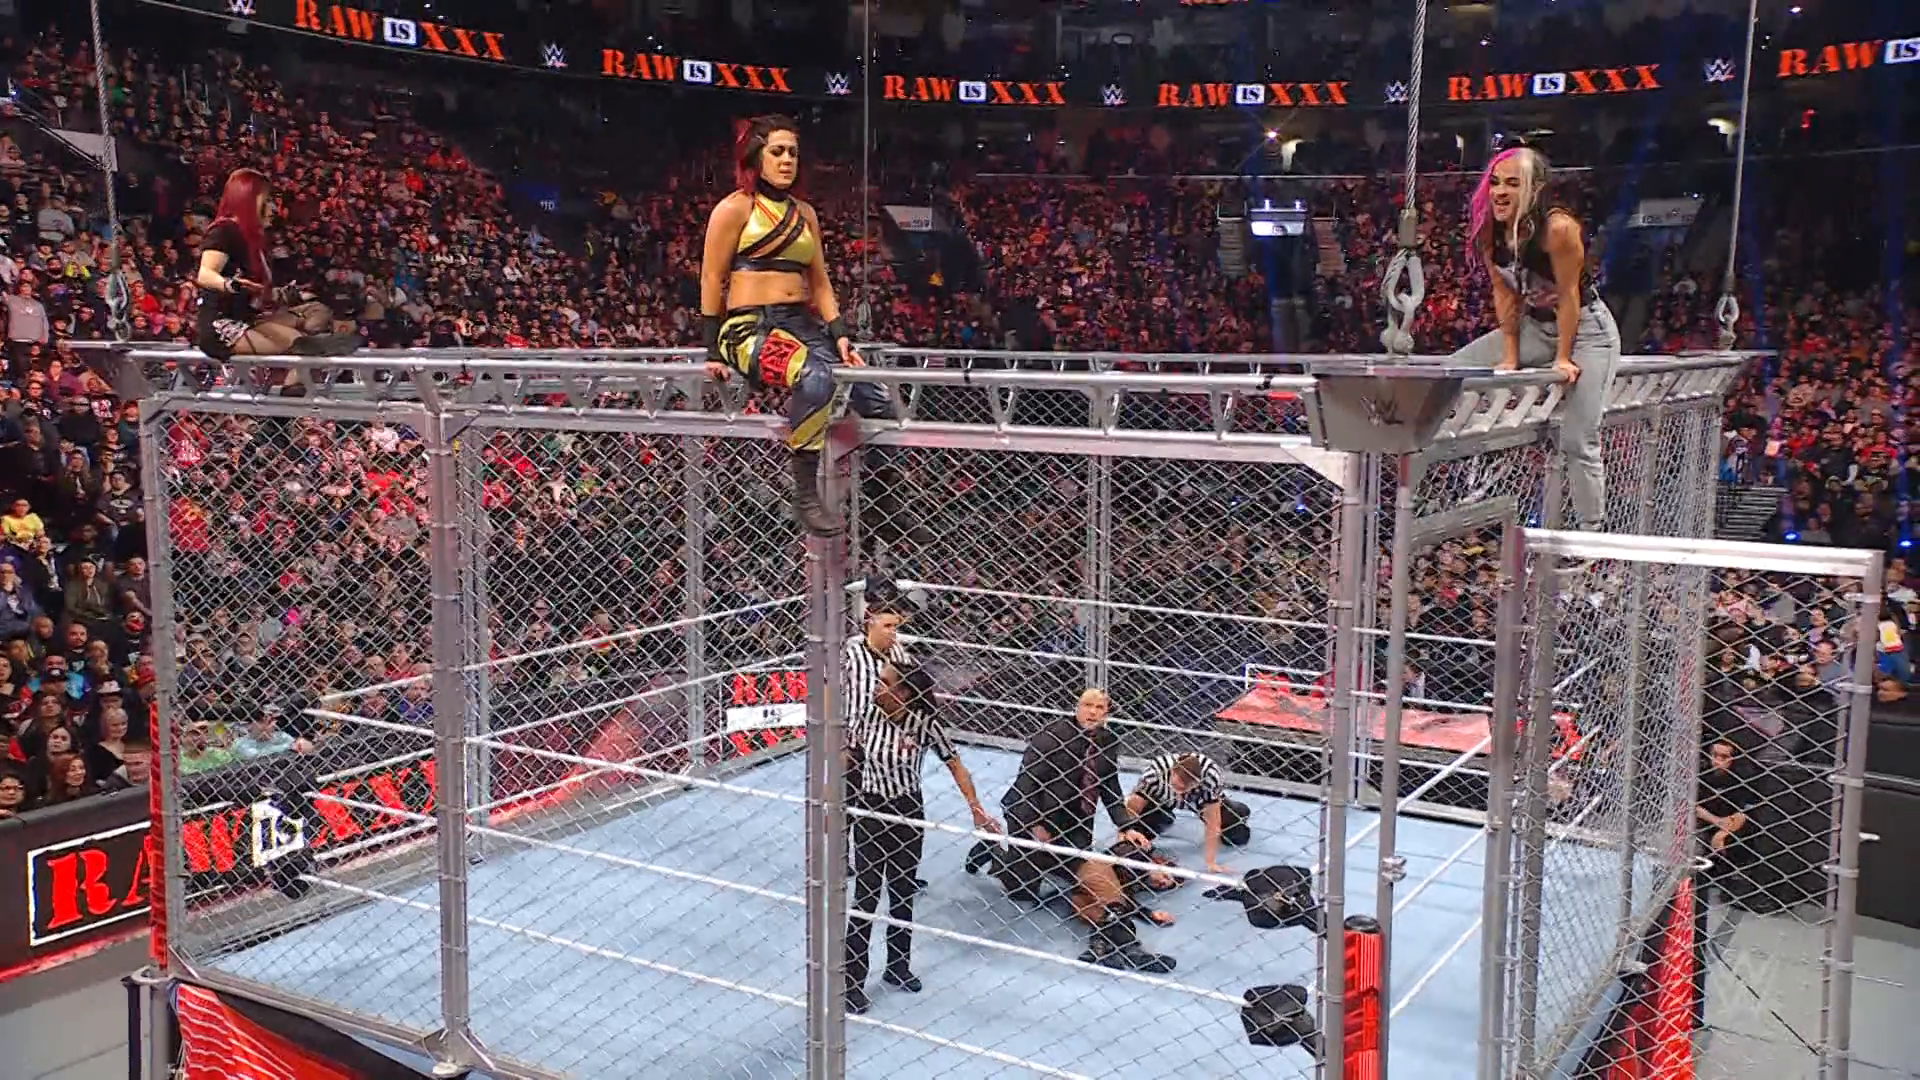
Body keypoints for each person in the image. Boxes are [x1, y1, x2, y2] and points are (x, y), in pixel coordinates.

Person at [697, 115, 919, 541]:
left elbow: (820, 282)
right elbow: (711, 277)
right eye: (777, 152)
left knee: (876, 397)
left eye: (793, 153)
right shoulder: (734, 208)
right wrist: (711, 349)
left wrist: (840, 336)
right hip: (749, 327)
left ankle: (881, 503)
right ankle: (805, 493)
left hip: (802, 324)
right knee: (816, 377)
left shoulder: (806, 215)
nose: (786, 160)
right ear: (756, 156)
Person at [1451, 147, 1621, 533]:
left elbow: (1569, 295)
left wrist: (1563, 357)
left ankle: (1592, 531)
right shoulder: (1489, 229)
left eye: (1513, 183)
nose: (1500, 192)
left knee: (1578, 437)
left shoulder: (1558, 228)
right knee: (1452, 371)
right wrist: (1511, 356)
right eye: (1495, 182)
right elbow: (1505, 293)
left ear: (1535, 188)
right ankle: (1457, 478)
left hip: (1587, 333)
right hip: (1534, 327)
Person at [841, 661, 1002, 1014]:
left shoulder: (925, 723)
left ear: (902, 692)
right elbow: (848, 757)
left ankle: (898, 966)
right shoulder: (866, 716)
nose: (876, 686)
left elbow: (955, 764)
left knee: (902, 892)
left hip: (908, 811)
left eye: (884, 682)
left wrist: (976, 809)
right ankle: (851, 982)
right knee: (866, 897)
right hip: (871, 810)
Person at [993, 688, 1177, 973]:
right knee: (1023, 893)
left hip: (1073, 828)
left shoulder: (1107, 741)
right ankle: (993, 851)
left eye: (1100, 707)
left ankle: (1120, 947)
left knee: (1093, 879)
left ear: (1107, 713)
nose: (1093, 712)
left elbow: (1110, 787)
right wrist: (1034, 825)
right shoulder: (1050, 738)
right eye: (1087, 705)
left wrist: (1126, 826)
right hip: (1032, 822)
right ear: (1077, 708)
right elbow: (1024, 786)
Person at [193, 167, 360, 392]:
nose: (274, 208)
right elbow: (205, 274)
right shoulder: (224, 230)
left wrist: (286, 295)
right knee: (300, 345)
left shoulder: (254, 239)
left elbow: (256, 290)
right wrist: (231, 285)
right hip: (221, 325)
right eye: (268, 200)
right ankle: (290, 390)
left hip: (249, 316)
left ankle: (293, 385)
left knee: (316, 316)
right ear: (249, 198)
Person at [1124, 751, 1250, 875]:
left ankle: (1240, 810)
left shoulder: (1210, 776)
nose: (1180, 793)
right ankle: (1162, 818)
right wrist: (1126, 831)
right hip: (1162, 797)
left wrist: (1211, 862)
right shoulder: (1156, 772)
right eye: (1177, 786)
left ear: (1197, 782)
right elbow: (1134, 805)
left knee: (1236, 834)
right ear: (1172, 771)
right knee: (1144, 827)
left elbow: (1213, 822)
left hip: (1198, 799)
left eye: (1185, 788)